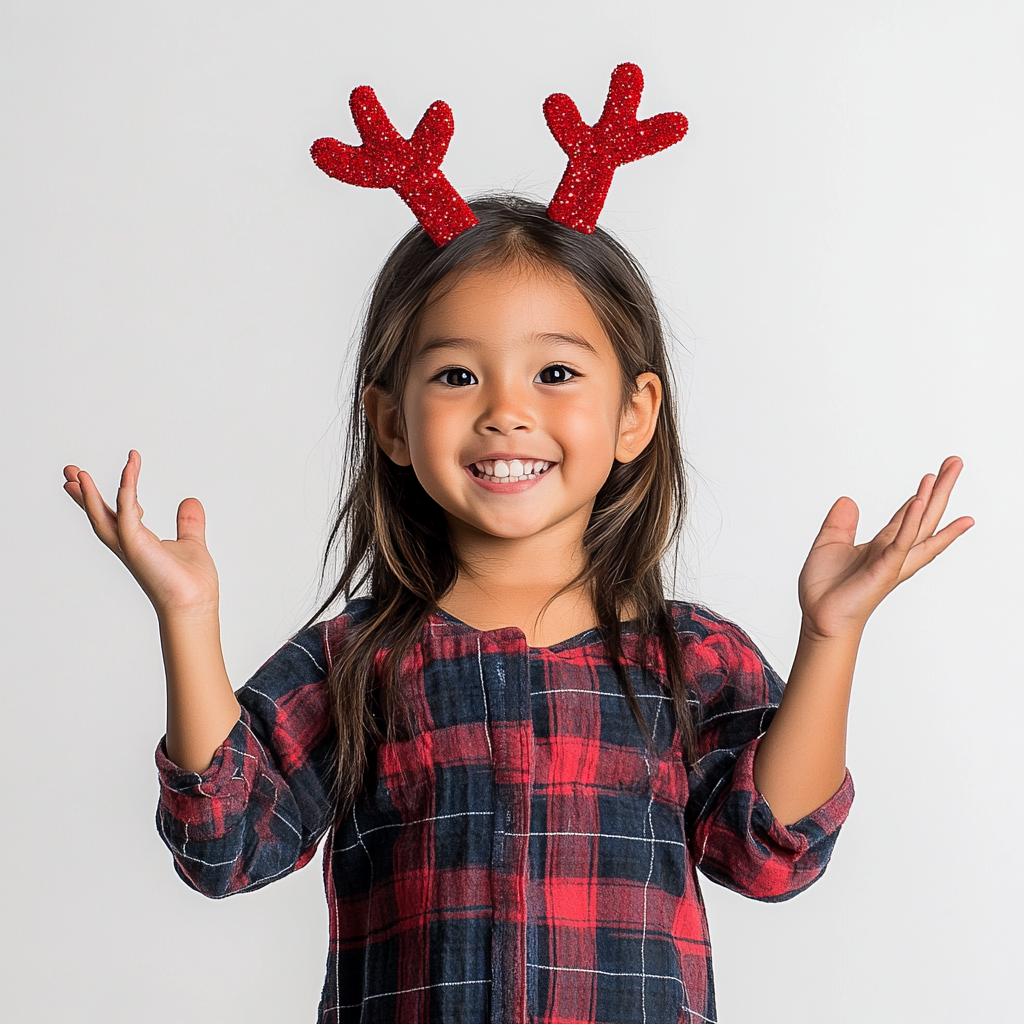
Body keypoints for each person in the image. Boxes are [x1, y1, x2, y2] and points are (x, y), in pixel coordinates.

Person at [61, 74, 972, 1024]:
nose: (505, 410)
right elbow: (225, 844)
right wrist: (188, 617)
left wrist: (832, 634)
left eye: (555, 371)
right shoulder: (358, 660)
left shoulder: (689, 658)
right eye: (457, 373)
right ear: (392, 423)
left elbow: (771, 853)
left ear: (633, 415)